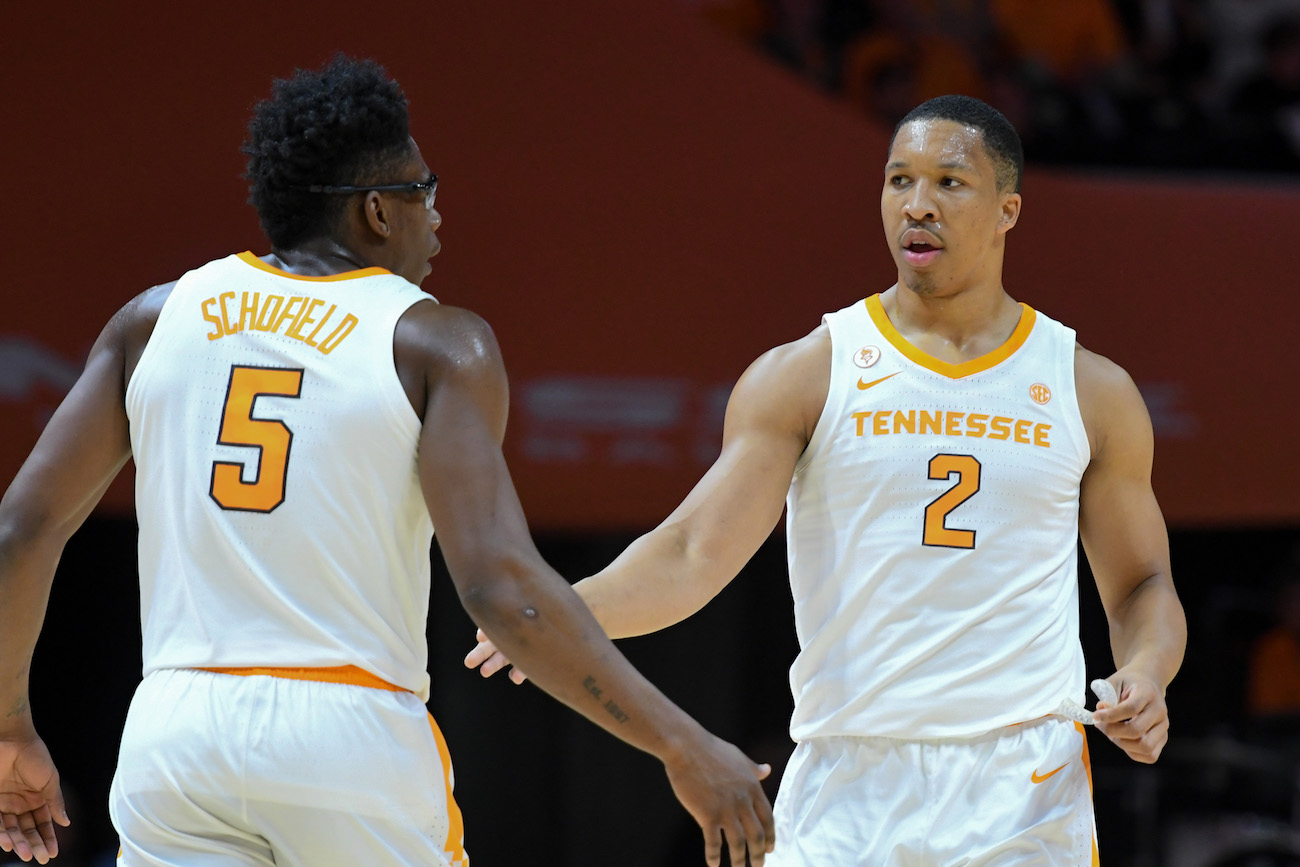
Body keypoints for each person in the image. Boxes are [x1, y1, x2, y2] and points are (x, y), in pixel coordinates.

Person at [0, 55, 775, 867]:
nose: (436, 217)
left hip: (176, 729)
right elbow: (499, 588)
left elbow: (23, 527)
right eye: (423, 191)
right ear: (376, 211)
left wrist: (11, 721)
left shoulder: (154, 319)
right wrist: (681, 743)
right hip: (347, 731)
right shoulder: (434, 340)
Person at [469, 94, 1187, 865]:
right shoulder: (809, 372)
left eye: (950, 183)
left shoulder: (1089, 389)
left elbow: (1142, 584)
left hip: (1023, 783)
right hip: (849, 778)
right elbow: (690, 553)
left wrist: (1145, 673)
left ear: (1008, 208)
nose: (917, 205)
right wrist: (567, 613)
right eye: (898, 180)